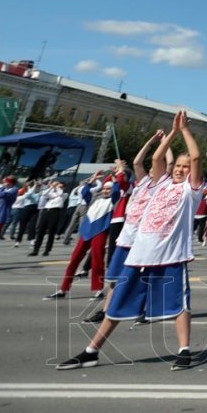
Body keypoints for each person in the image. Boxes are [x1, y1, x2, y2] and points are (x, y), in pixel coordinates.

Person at [58, 110, 204, 371]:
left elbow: (196, 156)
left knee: (180, 305)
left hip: (170, 256)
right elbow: (158, 157)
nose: (182, 169)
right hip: (139, 255)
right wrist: (171, 132)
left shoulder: (191, 191)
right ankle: (92, 351)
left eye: (186, 167)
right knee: (115, 305)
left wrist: (184, 131)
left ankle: (184, 351)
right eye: (179, 166)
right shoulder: (159, 183)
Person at [83, 131, 165, 325]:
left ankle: (145, 311)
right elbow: (137, 162)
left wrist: (165, 143)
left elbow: (164, 162)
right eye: (150, 169)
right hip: (126, 236)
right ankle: (105, 310)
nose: (151, 171)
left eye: (156, 169)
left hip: (143, 238)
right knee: (114, 276)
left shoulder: (162, 188)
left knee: (144, 276)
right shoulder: (141, 184)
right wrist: (153, 140)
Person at [44, 171, 122, 300]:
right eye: (105, 188)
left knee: (97, 261)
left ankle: (98, 290)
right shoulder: (94, 198)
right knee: (74, 260)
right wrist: (92, 179)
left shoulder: (113, 201)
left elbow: (116, 191)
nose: (106, 191)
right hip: (86, 231)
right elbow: (84, 192)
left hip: (100, 231)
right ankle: (63, 289)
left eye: (109, 189)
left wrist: (115, 180)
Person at [30, 180, 66, 257]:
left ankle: (47, 250)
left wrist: (58, 187)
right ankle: (36, 249)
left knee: (51, 232)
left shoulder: (64, 194)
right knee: (40, 231)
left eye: (61, 186)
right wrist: (51, 187)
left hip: (55, 211)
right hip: (46, 210)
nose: (58, 186)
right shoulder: (52, 193)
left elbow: (60, 193)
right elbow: (44, 194)